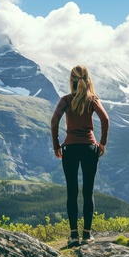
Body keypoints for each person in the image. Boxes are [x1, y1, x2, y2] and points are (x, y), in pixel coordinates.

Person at [51, 65, 109, 247]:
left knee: (72, 191)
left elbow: (54, 122)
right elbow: (105, 120)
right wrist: (102, 143)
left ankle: (73, 235)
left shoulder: (66, 100)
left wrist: (56, 146)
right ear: (88, 79)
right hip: (89, 148)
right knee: (88, 191)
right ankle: (87, 235)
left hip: (70, 148)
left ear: (72, 80)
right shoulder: (92, 100)